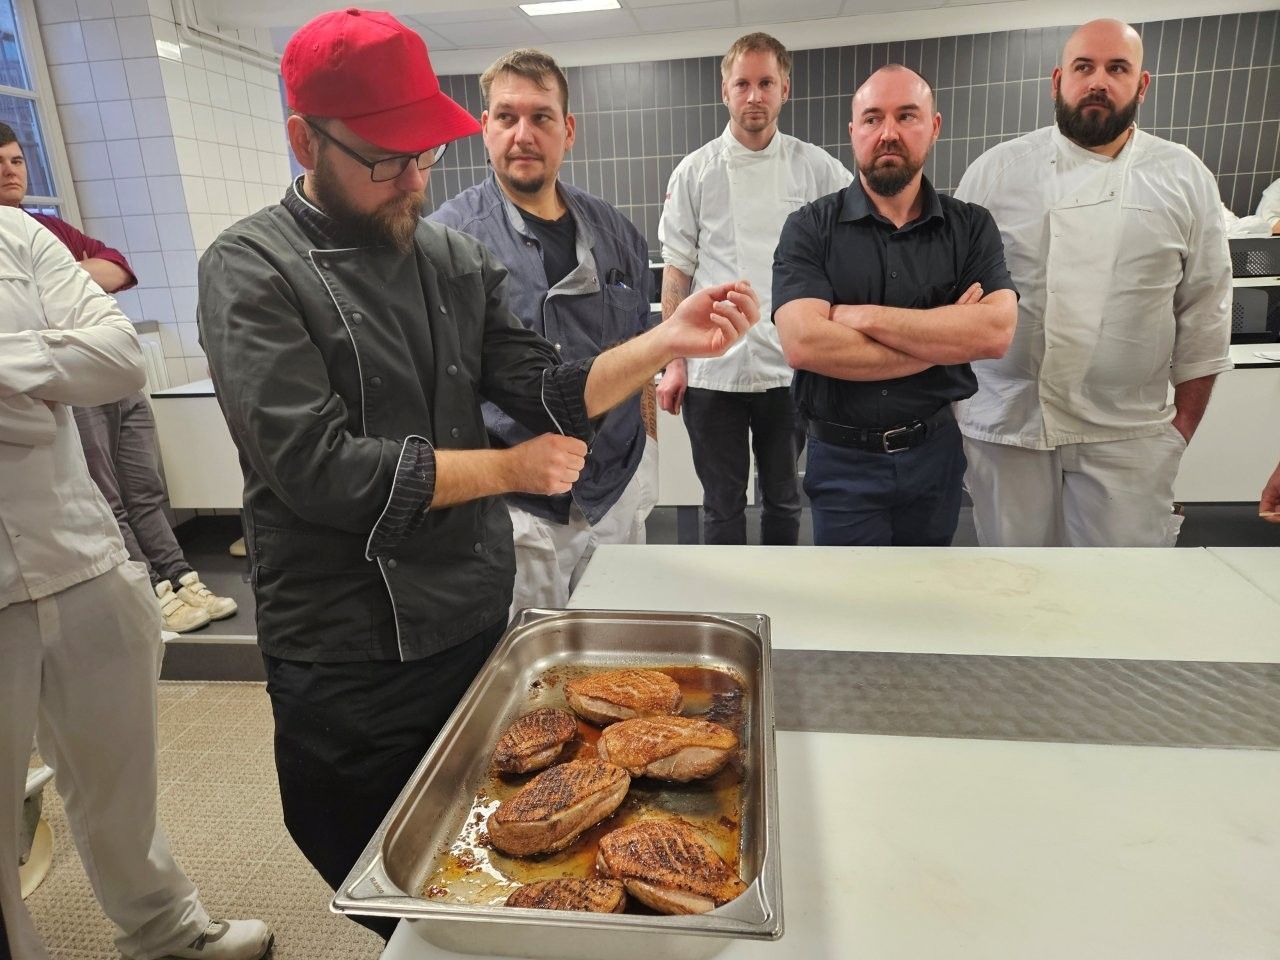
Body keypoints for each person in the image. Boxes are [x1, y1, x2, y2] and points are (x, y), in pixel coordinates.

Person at [196, 7, 757, 939]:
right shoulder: (252, 268)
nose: (414, 179)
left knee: (490, 850)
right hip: (347, 638)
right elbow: (317, 467)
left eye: (423, 155)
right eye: (387, 160)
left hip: (469, 616)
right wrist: (505, 469)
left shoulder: (448, 259)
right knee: (356, 841)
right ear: (305, 138)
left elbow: (547, 386)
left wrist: (664, 337)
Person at [0, 207, 271, 960]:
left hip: (79, 554)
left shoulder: (18, 236)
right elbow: (74, 371)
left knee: (118, 782)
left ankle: (165, 931)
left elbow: (118, 359)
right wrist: (42, 378)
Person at [954, 19, 1232, 548]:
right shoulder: (995, 173)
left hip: (1128, 436)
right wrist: (963, 415)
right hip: (1008, 429)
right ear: (1058, 80)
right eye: (1084, 67)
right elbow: (955, 306)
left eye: (1117, 68)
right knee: (1015, 590)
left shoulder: (1183, 177)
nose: (1098, 81)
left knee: (1117, 601)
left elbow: (1205, 314)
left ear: (1142, 84)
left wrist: (1176, 435)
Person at [430, 49, 656, 612]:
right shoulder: (445, 243)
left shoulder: (616, 233)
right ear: (484, 128)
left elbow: (640, 352)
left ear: (568, 130)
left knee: (621, 654)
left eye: (541, 117)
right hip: (518, 507)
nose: (523, 133)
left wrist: (648, 447)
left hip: (616, 490)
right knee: (533, 669)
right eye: (506, 117)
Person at [0, 122, 236, 633]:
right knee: (106, 494)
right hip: (71, 389)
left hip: (117, 378)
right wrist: (67, 280)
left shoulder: (42, 228)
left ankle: (181, 575)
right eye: (0, 162)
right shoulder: (19, 241)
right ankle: (150, 590)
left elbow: (120, 270)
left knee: (146, 489)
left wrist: (55, 276)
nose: (10, 171)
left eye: (17, 160)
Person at [773, 65, 1017, 546]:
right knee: (851, 611)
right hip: (842, 460)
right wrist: (945, 337)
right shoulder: (809, 228)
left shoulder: (970, 227)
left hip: (935, 456)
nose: (888, 133)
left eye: (907, 116)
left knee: (924, 603)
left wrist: (858, 317)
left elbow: (994, 334)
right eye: (872, 119)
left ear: (934, 126)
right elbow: (804, 343)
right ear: (853, 131)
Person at [658, 32, 852, 545]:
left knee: (785, 501)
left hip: (787, 369)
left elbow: (847, 257)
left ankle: (779, 601)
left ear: (785, 89)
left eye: (766, 83)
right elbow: (676, 270)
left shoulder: (818, 169)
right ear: (725, 91)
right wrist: (674, 360)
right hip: (712, 371)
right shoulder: (695, 172)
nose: (754, 96)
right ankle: (726, 610)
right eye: (742, 83)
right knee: (720, 506)